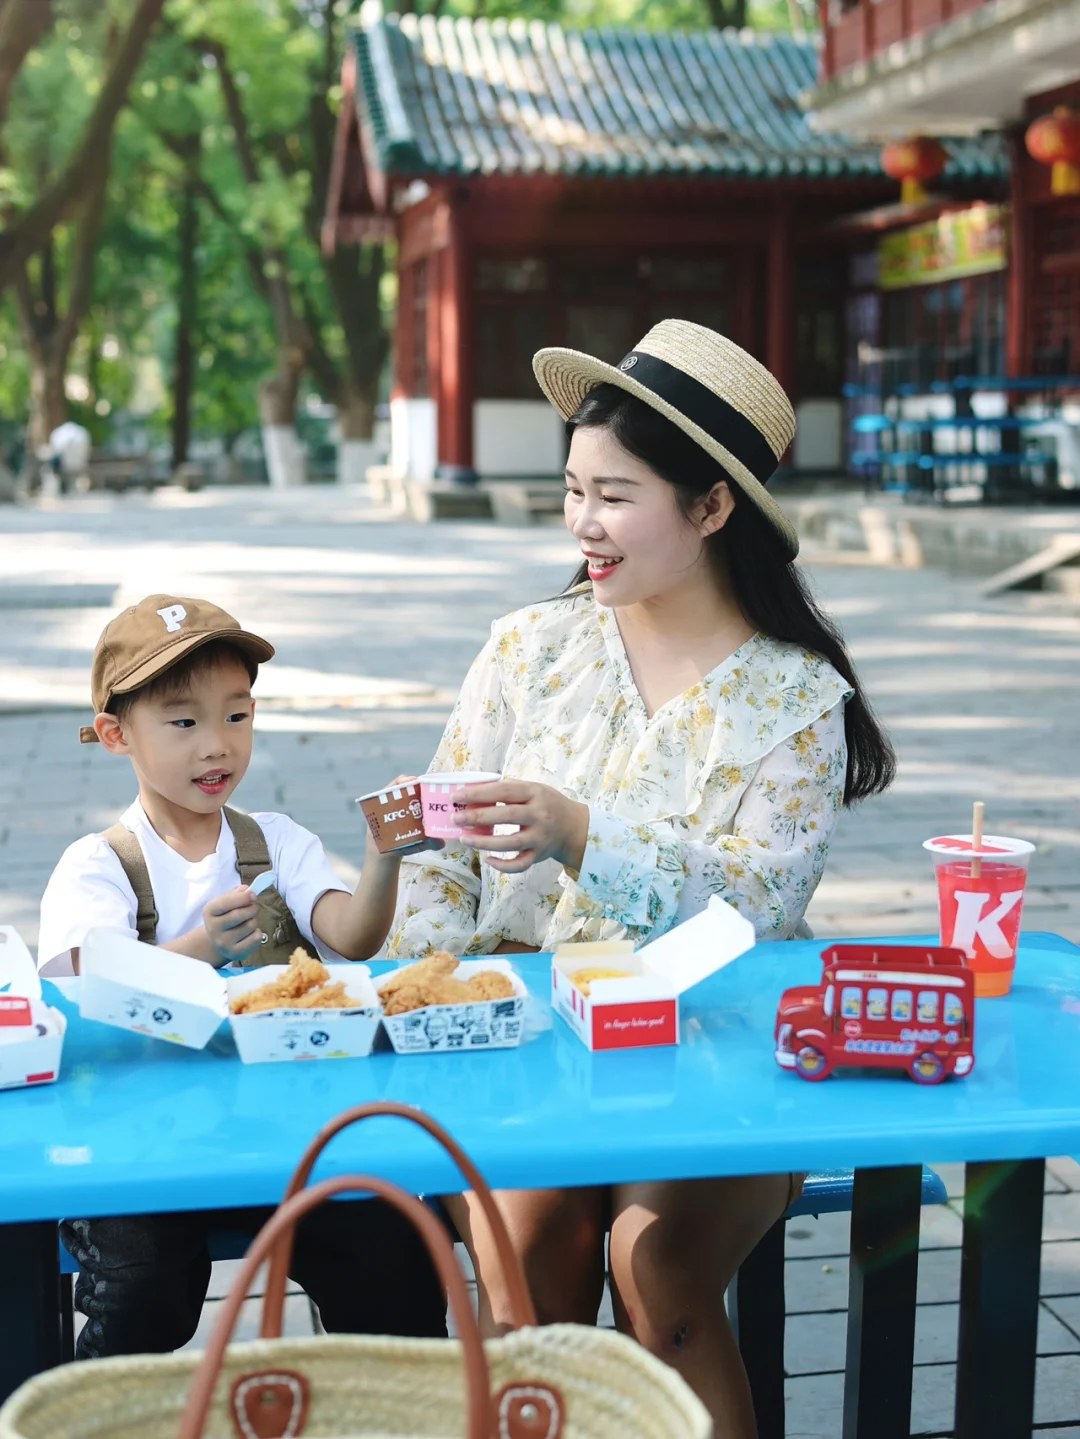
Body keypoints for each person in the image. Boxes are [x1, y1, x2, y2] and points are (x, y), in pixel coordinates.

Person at [388, 320, 895, 1436]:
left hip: (718, 1039)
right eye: (574, 489)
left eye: (614, 495)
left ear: (711, 507)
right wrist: (428, 991)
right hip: (519, 1032)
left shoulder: (797, 697)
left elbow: (760, 903)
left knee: (657, 1273)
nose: (582, 522)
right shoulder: (528, 648)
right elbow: (437, 848)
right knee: (531, 1262)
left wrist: (581, 833)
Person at [39, 593, 447, 1358]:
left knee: (388, 1246)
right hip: (143, 1143)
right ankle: (103, 1399)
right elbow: (86, 990)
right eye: (183, 722)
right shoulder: (101, 865)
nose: (216, 745)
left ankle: (393, 1390)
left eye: (236, 715)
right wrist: (201, 945)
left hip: (285, 1127)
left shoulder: (276, 842)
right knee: (144, 1284)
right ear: (116, 734)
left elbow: (352, 937)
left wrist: (382, 858)